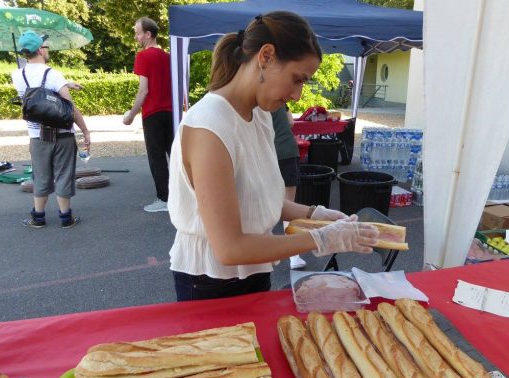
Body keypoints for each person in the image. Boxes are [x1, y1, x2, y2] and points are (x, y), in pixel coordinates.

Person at [168, 11, 380, 301]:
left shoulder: (261, 116)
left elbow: (255, 199)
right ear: (266, 56)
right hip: (210, 281)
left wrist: (314, 214)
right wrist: (319, 238)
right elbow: (229, 248)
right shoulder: (209, 126)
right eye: (297, 79)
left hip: (256, 268)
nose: (297, 95)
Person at [11, 31, 90, 229]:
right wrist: (85, 132)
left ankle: (38, 218)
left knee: (40, 176)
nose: (47, 49)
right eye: (45, 46)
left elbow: (36, 91)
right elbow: (70, 109)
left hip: (37, 136)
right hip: (62, 135)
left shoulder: (17, 75)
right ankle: (66, 218)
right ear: (39, 50)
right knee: (64, 174)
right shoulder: (53, 74)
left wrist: (65, 84)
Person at [123, 17, 174, 213]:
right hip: (170, 112)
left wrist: (130, 115)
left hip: (152, 113)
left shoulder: (143, 57)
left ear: (148, 34)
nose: (136, 37)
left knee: (157, 157)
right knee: (174, 155)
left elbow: (143, 91)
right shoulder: (168, 56)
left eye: (138, 33)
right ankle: (182, 196)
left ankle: (164, 199)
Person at [271, 104, 307, 270]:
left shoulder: (255, 103)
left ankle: (267, 251)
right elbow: (291, 122)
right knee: (289, 204)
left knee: (264, 202)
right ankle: (294, 256)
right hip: (287, 151)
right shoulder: (281, 103)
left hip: (268, 153)